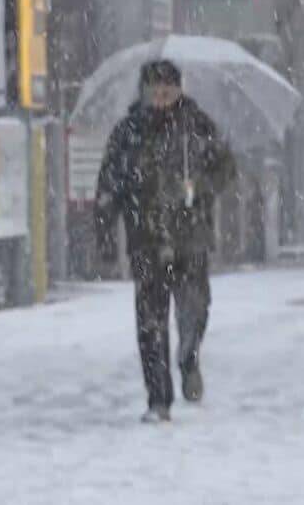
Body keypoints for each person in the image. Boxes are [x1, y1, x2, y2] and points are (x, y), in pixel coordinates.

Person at [94, 59, 237, 423]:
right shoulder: (128, 132)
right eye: (155, 89)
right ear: (144, 91)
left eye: (168, 89)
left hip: (191, 237)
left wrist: (199, 186)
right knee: (150, 323)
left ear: (179, 89)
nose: (161, 96)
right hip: (146, 239)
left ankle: (189, 356)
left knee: (194, 308)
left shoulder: (197, 125)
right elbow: (109, 185)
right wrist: (105, 233)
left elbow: (226, 168)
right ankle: (159, 399)